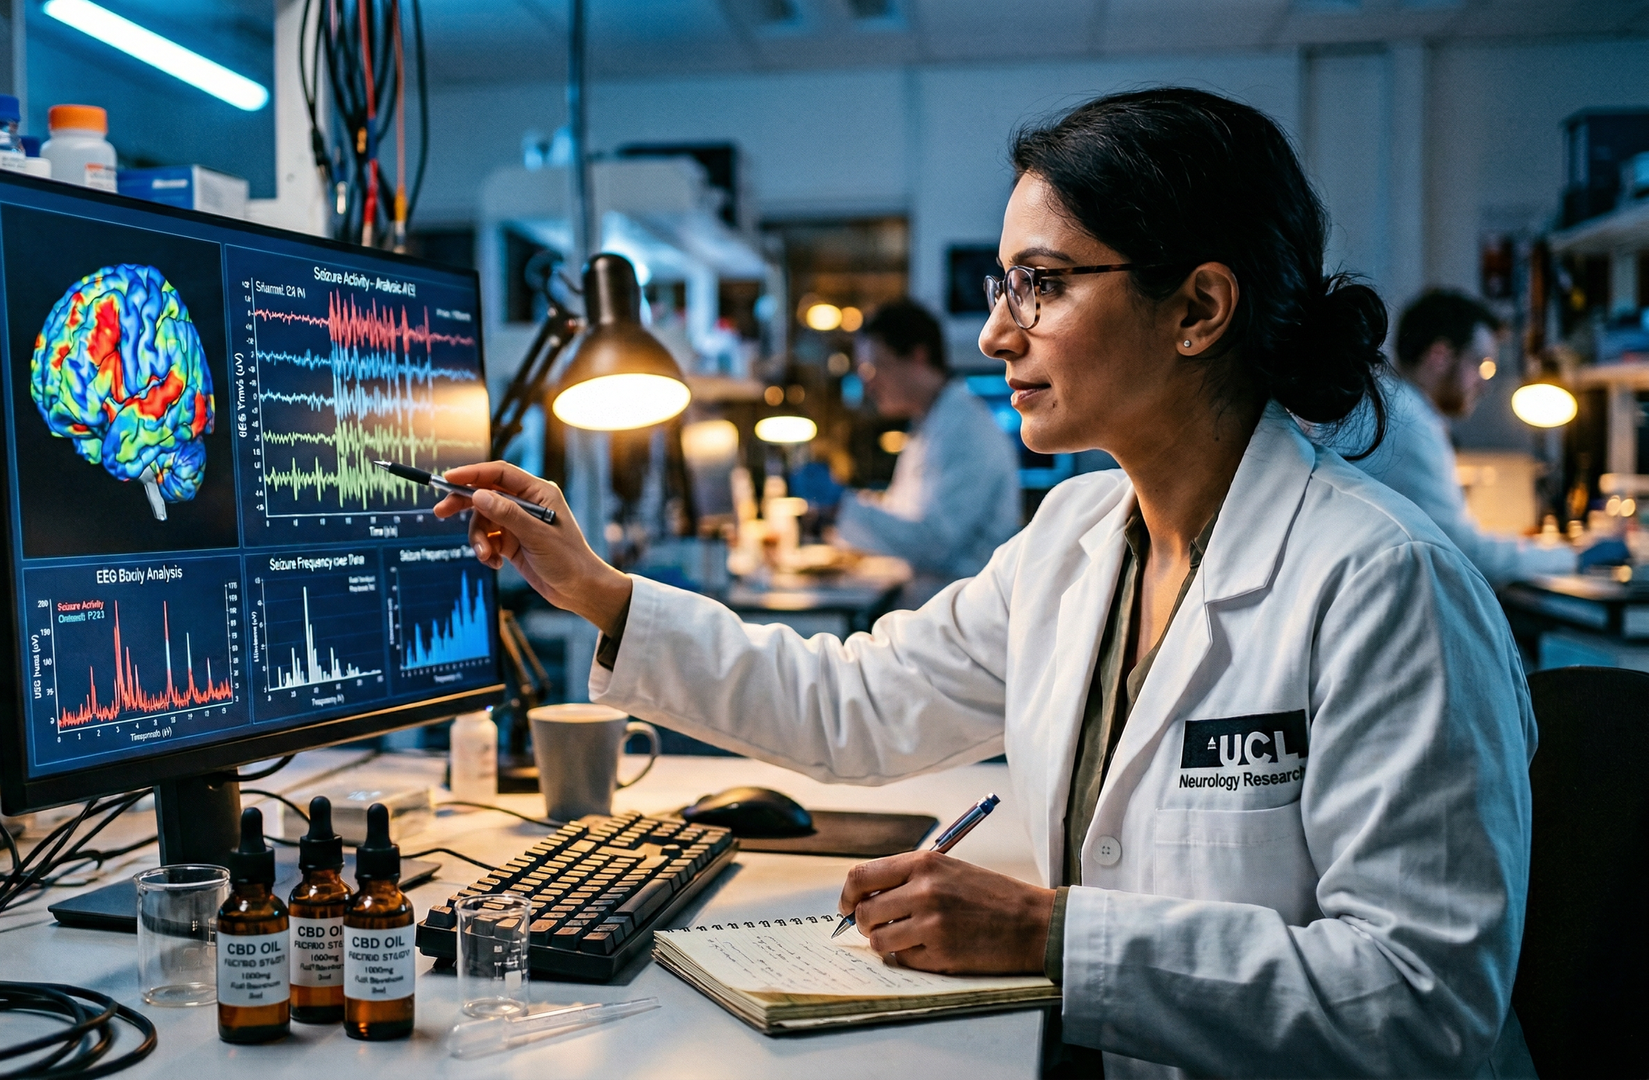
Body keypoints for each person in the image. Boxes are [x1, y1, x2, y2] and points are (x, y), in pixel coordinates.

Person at [439, 88, 1533, 1078]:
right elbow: (851, 706)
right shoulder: (1073, 538)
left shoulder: (1384, 585)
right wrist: (599, 591)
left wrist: (1050, 935)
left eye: (1042, 286)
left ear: (1199, 308)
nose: (994, 331)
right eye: (1001, 287)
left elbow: (1423, 1005)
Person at [1315, 289, 1601, 585]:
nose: (1485, 385)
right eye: (1482, 366)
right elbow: (1463, 553)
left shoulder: (1385, 403)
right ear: (1440, 356)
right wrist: (1576, 557)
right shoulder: (1408, 421)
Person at [833, 298, 1022, 589]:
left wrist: (841, 509)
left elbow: (936, 543)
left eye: (874, 368)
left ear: (918, 357)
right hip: (938, 604)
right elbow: (907, 514)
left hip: (967, 613)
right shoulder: (930, 421)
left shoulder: (965, 429)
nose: (868, 384)